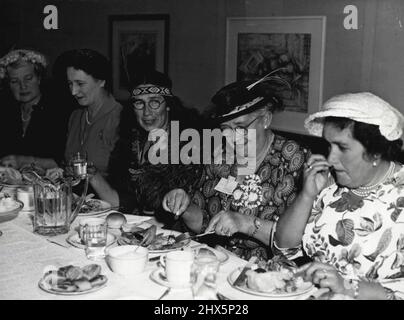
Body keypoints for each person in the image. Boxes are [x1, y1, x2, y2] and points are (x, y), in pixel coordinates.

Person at [273, 92, 404, 299]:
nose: (331, 158)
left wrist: (348, 287)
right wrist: (306, 196)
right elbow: (284, 248)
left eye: (342, 147)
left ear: (376, 152)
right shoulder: (330, 183)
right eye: (329, 146)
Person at [163, 78, 310, 261]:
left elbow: (299, 243)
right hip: (216, 263)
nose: (232, 138)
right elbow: (204, 223)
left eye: (240, 127)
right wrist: (184, 207)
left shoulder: (294, 160)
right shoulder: (221, 157)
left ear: (265, 119)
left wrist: (245, 223)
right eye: (225, 128)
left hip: (267, 274)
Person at [89, 70, 205, 220]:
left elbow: (193, 212)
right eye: (139, 103)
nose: (147, 112)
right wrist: (91, 174)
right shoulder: (130, 144)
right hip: (137, 229)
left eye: (154, 101)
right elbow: (121, 202)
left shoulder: (190, 144)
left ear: (168, 105)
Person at [0, 49, 71, 168]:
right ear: (8, 85)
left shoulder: (59, 111)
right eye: (14, 81)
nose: (23, 86)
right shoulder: (5, 112)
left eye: (28, 78)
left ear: (39, 78)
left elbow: (65, 161)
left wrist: (24, 161)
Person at [64, 49, 122, 177]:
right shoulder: (75, 116)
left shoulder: (121, 117)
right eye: (70, 84)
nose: (73, 91)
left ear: (101, 81)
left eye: (80, 84)